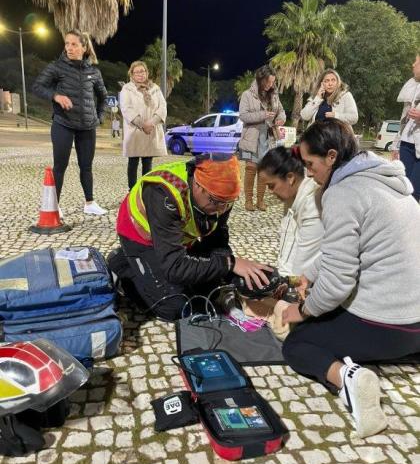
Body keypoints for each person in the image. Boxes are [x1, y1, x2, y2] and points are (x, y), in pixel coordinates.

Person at [281, 119, 420, 439]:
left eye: (310, 164)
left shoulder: (342, 194)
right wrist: (307, 275)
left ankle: (350, 379)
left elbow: (336, 284)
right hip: (417, 322)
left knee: (298, 342)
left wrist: (301, 311)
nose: (308, 173)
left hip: (391, 327)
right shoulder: (384, 180)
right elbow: (343, 251)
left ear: (331, 157)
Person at [115, 154, 272, 321]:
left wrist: (228, 273)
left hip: (178, 238)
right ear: (197, 185)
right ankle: (123, 265)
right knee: (175, 307)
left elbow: (216, 240)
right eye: (216, 201)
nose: (221, 209)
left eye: (228, 203)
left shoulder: (221, 197)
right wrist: (229, 263)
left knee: (213, 288)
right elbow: (174, 268)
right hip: (140, 237)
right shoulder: (164, 192)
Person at [33, 29, 108, 216]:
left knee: (86, 166)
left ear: (84, 47)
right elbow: (38, 86)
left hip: (87, 127)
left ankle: (89, 203)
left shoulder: (94, 72)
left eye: (74, 44)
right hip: (63, 123)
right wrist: (56, 95)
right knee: (60, 166)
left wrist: (99, 118)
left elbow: (104, 97)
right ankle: (54, 205)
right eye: (66, 43)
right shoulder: (57, 67)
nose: (69, 48)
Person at [258, 146, 323, 276]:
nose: (270, 193)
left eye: (271, 186)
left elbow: (304, 261)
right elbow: (288, 239)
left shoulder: (313, 205)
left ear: (290, 178)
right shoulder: (293, 195)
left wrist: (284, 285)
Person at [238, 64, 286, 211]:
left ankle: (260, 201)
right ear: (261, 79)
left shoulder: (274, 95)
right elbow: (243, 116)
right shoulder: (248, 95)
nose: (270, 85)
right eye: (268, 82)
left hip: (268, 136)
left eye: (272, 82)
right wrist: (263, 115)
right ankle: (248, 201)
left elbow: (281, 111)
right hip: (252, 136)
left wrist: (280, 119)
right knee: (251, 169)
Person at [120, 61, 167, 191]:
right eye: (137, 72)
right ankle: (133, 191)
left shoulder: (155, 88)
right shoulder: (127, 89)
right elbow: (126, 108)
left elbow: (162, 107)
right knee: (133, 163)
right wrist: (142, 124)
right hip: (135, 131)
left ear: (147, 73)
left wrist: (151, 123)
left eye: (143, 71)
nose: (141, 74)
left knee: (148, 162)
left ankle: (146, 191)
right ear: (132, 74)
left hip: (150, 131)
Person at [391, 53, 420, 201]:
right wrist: (396, 145)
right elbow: (403, 119)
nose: (413, 65)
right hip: (407, 144)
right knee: (403, 188)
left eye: (416, 61)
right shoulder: (411, 85)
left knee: (415, 191)